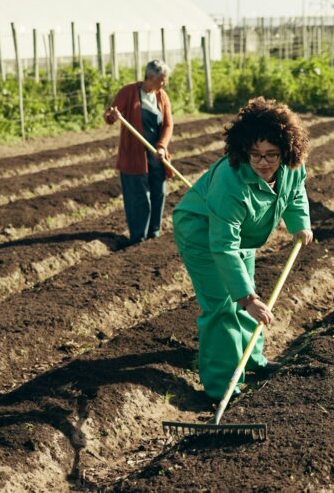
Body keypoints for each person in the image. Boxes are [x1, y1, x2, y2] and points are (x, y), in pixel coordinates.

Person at [172, 97, 313, 401]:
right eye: (256, 154)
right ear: (243, 150)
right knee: (224, 306)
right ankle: (222, 386)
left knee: (250, 298)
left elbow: (296, 191)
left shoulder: (290, 167)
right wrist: (246, 298)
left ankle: (253, 360)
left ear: (286, 151)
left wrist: (300, 223)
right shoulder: (230, 183)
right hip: (202, 232)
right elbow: (223, 246)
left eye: (271, 155)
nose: (263, 162)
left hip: (243, 236)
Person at [104, 59, 174, 244]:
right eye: (162, 79)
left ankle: (154, 234)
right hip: (135, 156)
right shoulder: (129, 92)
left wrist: (162, 146)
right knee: (139, 198)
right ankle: (138, 238)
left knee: (158, 193)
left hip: (157, 155)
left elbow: (168, 124)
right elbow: (110, 115)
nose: (164, 83)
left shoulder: (162, 96)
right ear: (151, 77)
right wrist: (113, 116)